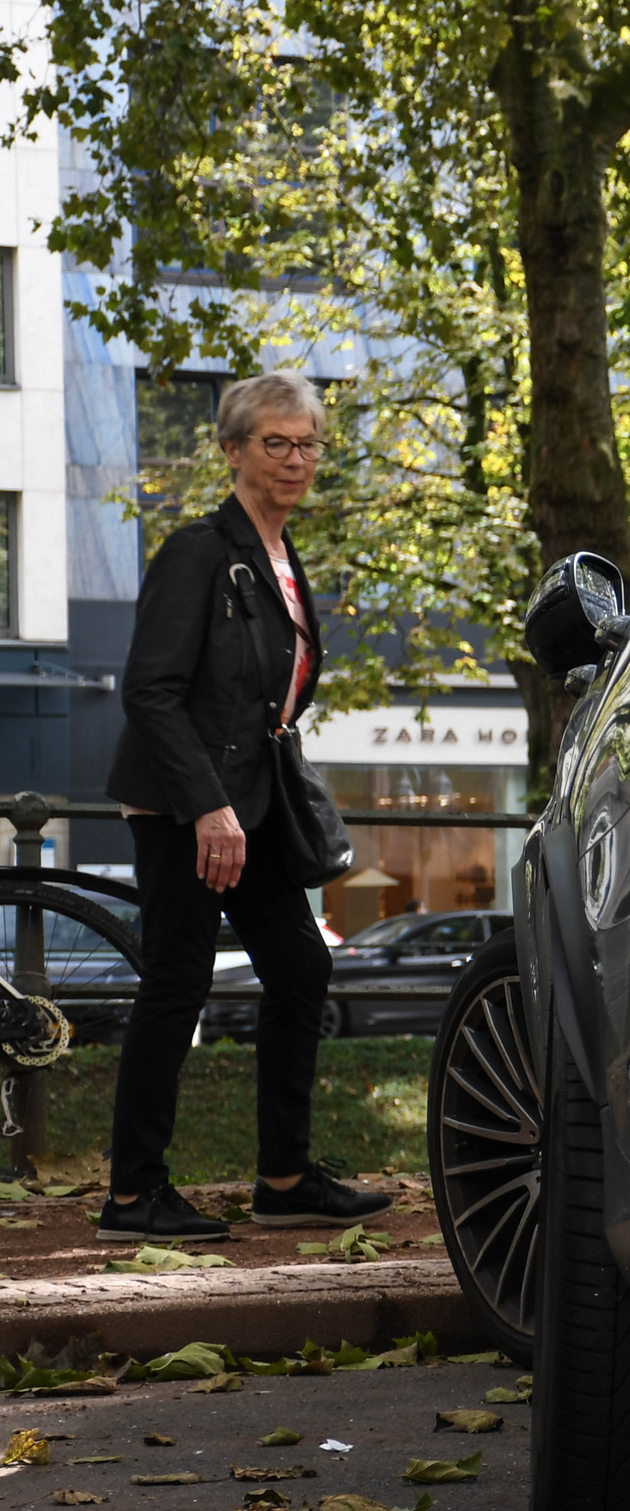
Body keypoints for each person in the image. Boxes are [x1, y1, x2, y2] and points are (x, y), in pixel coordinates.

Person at [99, 373, 391, 1241]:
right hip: (185, 810)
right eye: (277, 442)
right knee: (178, 983)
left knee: (302, 970)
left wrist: (241, 799)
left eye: (308, 444)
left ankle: (285, 1177)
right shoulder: (197, 551)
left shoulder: (282, 557)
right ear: (232, 450)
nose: (296, 459)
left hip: (252, 805)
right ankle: (131, 1195)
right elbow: (149, 691)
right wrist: (207, 809)